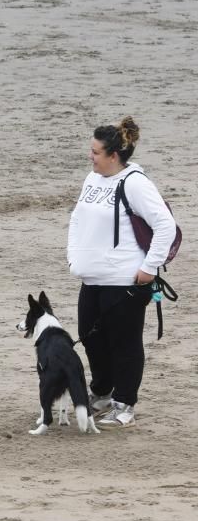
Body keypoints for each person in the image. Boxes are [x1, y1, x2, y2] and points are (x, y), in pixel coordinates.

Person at [67, 116, 177, 429]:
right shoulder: (92, 179)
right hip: (92, 278)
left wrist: (149, 266)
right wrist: (74, 256)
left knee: (125, 345)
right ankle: (101, 393)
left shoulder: (136, 183)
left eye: (96, 152)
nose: (91, 156)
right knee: (91, 338)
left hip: (125, 280)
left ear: (113, 155)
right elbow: (77, 218)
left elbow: (165, 226)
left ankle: (124, 404)